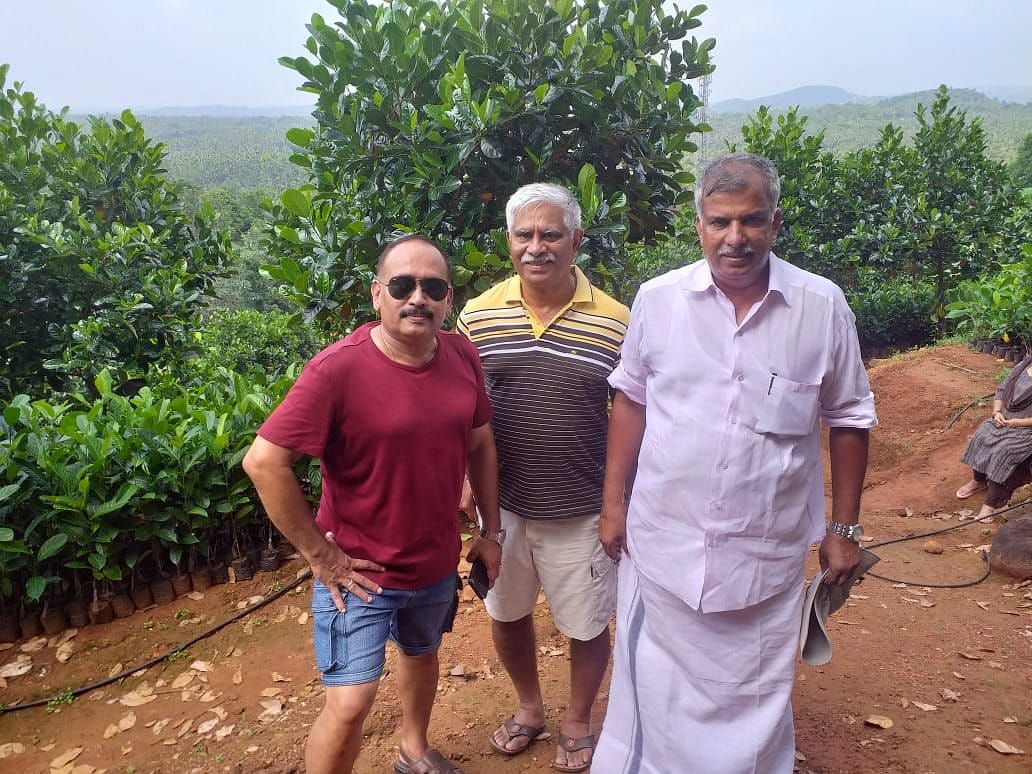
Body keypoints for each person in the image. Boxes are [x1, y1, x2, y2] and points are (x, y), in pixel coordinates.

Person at [593, 152, 878, 773]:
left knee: (753, 702)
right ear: (698, 225)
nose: (736, 238)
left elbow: (850, 417)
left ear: (775, 223)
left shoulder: (821, 306)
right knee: (651, 693)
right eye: (720, 222)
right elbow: (631, 401)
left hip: (763, 558)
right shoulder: (658, 300)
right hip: (661, 545)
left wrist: (844, 529)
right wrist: (613, 504)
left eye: (751, 221)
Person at [242, 234, 503, 774]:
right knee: (350, 703)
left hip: (432, 560)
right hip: (358, 570)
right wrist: (321, 556)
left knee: (421, 653)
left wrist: (490, 531)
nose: (418, 299)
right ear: (377, 295)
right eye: (403, 285)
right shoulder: (337, 370)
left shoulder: (461, 354)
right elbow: (264, 463)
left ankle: (413, 748)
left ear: (448, 298)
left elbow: (480, 442)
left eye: (432, 287)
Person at [457, 183, 629, 773]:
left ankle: (578, 719)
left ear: (576, 240)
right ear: (508, 242)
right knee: (505, 613)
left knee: (585, 620)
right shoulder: (476, 317)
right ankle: (530, 709)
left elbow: (631, 418)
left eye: (551, 234)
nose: (537, 247)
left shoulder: (617, 321)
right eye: (524, 235)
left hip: (581, 505)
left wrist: (616, 505)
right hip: (499, 507)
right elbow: (462, 407)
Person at [956, 352, 1032, 519]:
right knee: (982, 435)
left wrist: (1018, 423)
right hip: (1003, 420)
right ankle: (978, 480)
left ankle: (988, 507)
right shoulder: (1023, 367)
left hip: (1026, 429)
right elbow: (1001, 390)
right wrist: (996, 412)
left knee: (1003, 451)